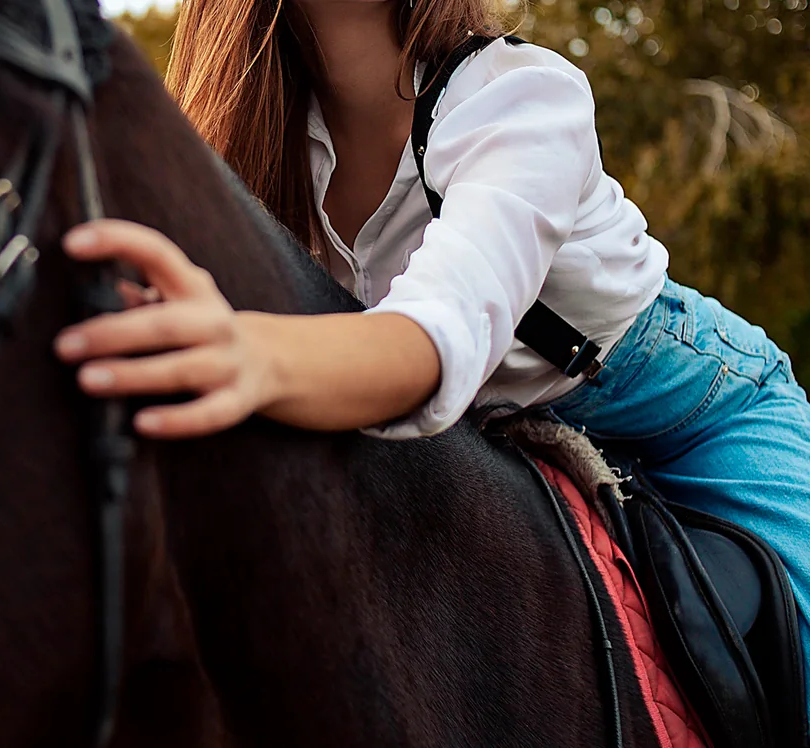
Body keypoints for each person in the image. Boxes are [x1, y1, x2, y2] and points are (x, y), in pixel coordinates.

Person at [53, 0, 810, 712]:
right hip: (476, 441)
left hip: (689, 411)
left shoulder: (521, 96)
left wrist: (250, 352)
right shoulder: (243, 139)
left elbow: (435, 334)